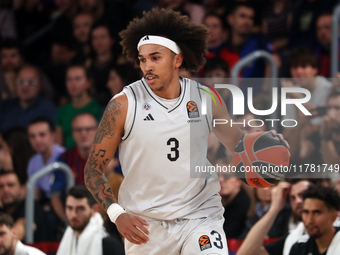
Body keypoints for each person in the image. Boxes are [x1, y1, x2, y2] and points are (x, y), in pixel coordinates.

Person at [84, 8, 288, 254]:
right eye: (142, 59)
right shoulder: (123, 104)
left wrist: (263, 145)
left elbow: (238, 144)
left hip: (200, 215)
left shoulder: (206, 97)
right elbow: (92, 169)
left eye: (155, 58)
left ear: (177, 60)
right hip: (146, 223)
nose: (147, 66)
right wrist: (117, 215)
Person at [236, 179, 314, 255]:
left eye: (302, 195)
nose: (298, 201)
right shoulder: (293, 237)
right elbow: (245, 253)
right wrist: (274, 208)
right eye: (293, 198)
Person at [56, 185, 124, 255]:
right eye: (70, 208)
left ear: (95, 209)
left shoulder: (108, 243)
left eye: (80, 209)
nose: (74, 215)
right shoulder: (68, 237)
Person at [0, 65, 57, 134]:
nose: (25, 87)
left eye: (31, 82)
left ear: (40, 85)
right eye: (21, 81)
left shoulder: (49, 110)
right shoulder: (4, 107)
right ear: (15, 84)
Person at [55, 65, 102, 148]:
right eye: (69, 79)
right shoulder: (62, 111)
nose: (73, 84)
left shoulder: (98, 109)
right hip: (68, 158)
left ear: (88, 83)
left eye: (78, 79)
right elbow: (59, 145)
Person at [289, 185, 340, 255]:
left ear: (333, 216)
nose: (310, 220)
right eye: (306, 212)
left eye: (317, 213)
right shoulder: (299, 247)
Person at [0, 171, 49, 242]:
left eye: (10, 185)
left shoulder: (31, 207)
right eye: (1, 186)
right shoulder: (2, 211)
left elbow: (19, 231)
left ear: (22, 189)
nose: (6, 190)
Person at [27, 118, 65, 201]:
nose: (37, 140)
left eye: (42, 134)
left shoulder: (65, 156)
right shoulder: (33, 161)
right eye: (32, 136)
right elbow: (35, 194)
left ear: (53, 136)